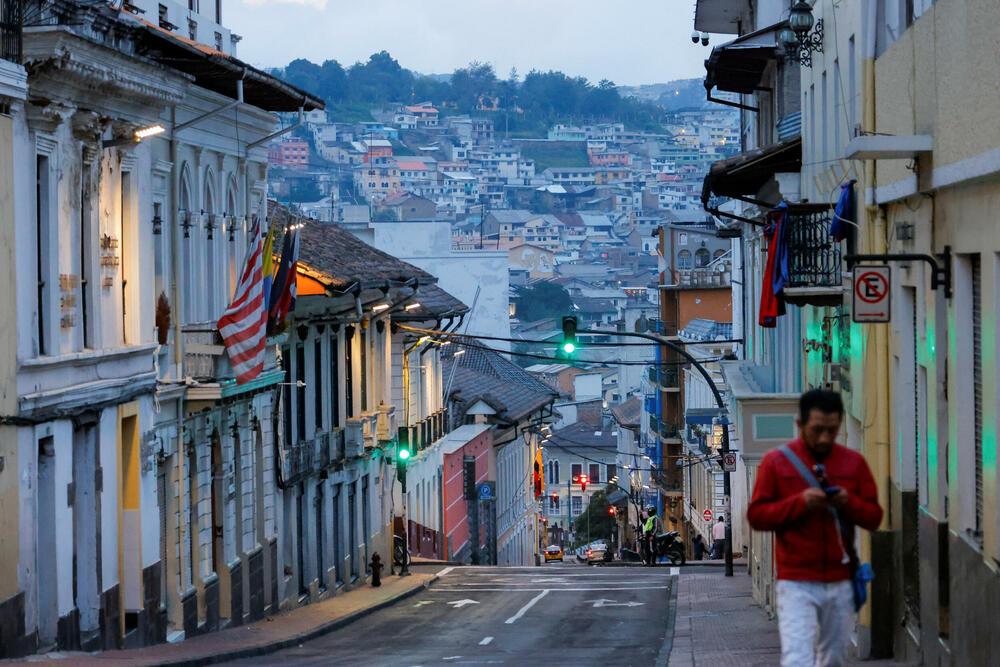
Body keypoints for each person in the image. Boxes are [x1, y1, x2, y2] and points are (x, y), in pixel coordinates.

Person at [748, 389, 883, 667]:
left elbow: (873, 517)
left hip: (840, 578)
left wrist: (849, 502)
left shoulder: (853, 463)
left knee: (834, 658)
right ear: (800, 425)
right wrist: (800, 504)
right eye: (817, 430)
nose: (824, 438)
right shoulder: (776, 462)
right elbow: (757, 516)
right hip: (795, 580)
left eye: (832, 431)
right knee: (798, 657)